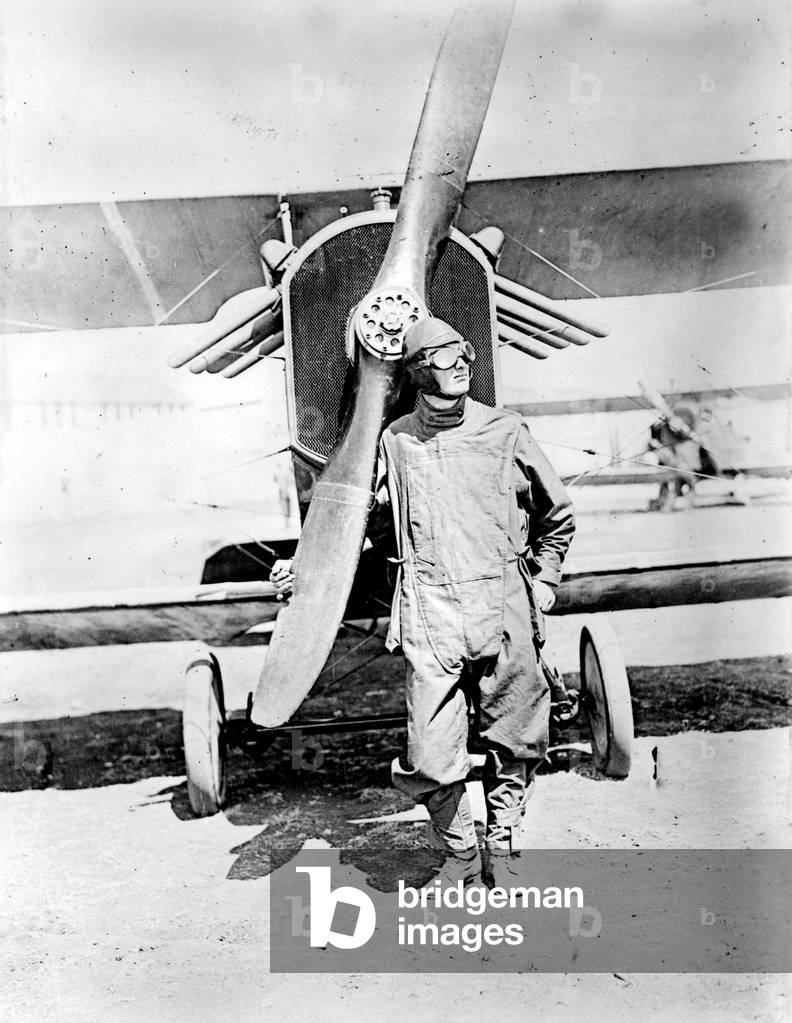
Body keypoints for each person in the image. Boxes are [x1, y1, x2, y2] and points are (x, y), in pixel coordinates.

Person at [271, 316, 575, 887]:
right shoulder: (395, 441)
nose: (460, 362)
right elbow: (365, 522)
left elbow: (556, 516)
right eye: (442, 355)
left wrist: (544, 583)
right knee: (430, 755)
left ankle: (504, 848)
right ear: (415, 371)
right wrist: (307, 570)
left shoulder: (506, 431)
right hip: (429, 611)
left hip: (504, 606)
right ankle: (460, 854)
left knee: (517, 738)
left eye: (463, 351)